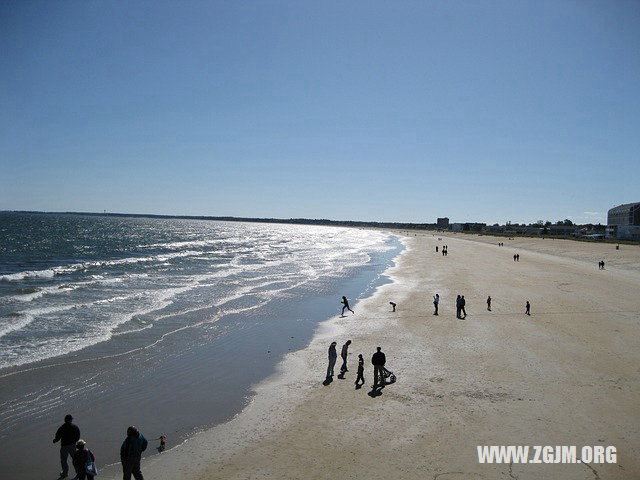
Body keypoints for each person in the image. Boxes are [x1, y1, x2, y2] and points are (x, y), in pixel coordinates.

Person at [53, 414, 80, 478]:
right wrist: (75, 442)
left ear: (65, 420)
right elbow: (78, 436)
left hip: (64, 446)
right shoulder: (75, 427)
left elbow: (58, 436)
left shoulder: (62, 427)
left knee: (63, 460)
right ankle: (78, 472)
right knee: (74, 459)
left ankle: (65, 473)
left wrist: (55, 440)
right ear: (71, 420)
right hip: (73, 445)